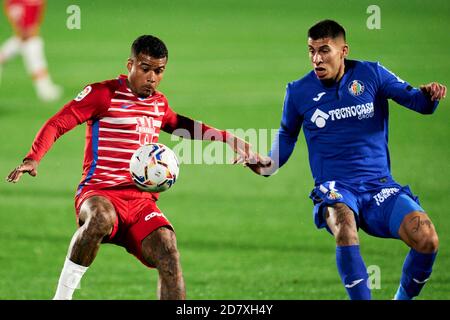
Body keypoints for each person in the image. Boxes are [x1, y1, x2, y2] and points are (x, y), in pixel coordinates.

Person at [6, 34, 250, 300]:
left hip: (140, 202)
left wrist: (227, 138)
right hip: (99, 192)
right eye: (145, 69)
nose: (152, 77)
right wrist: (33, 157)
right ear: (130, 64)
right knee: (100, 219)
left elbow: (180, 124)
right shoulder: (103, 94)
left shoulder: (158, 103)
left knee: (168, 251)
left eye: (159, 71)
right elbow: (58, 123)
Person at [239, 20, 446, 300]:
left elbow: (418, 103)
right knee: (344, 225)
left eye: (324, 50)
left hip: (379, 187)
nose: (316, 58)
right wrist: (265, 166)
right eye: (311, 51)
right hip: (336, 187)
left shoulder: (372, 74)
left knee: (427, 239)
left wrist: (431, 96)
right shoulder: (298, 91)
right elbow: (287, 136)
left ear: (343, 50)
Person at [0, 0, 61, 101]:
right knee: (37, 67)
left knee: (37, 67)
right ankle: (47, 92)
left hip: (29, 40)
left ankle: (47, 92)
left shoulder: (17, 3)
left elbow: (29, 27)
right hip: (23, 39)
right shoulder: (14, 3)